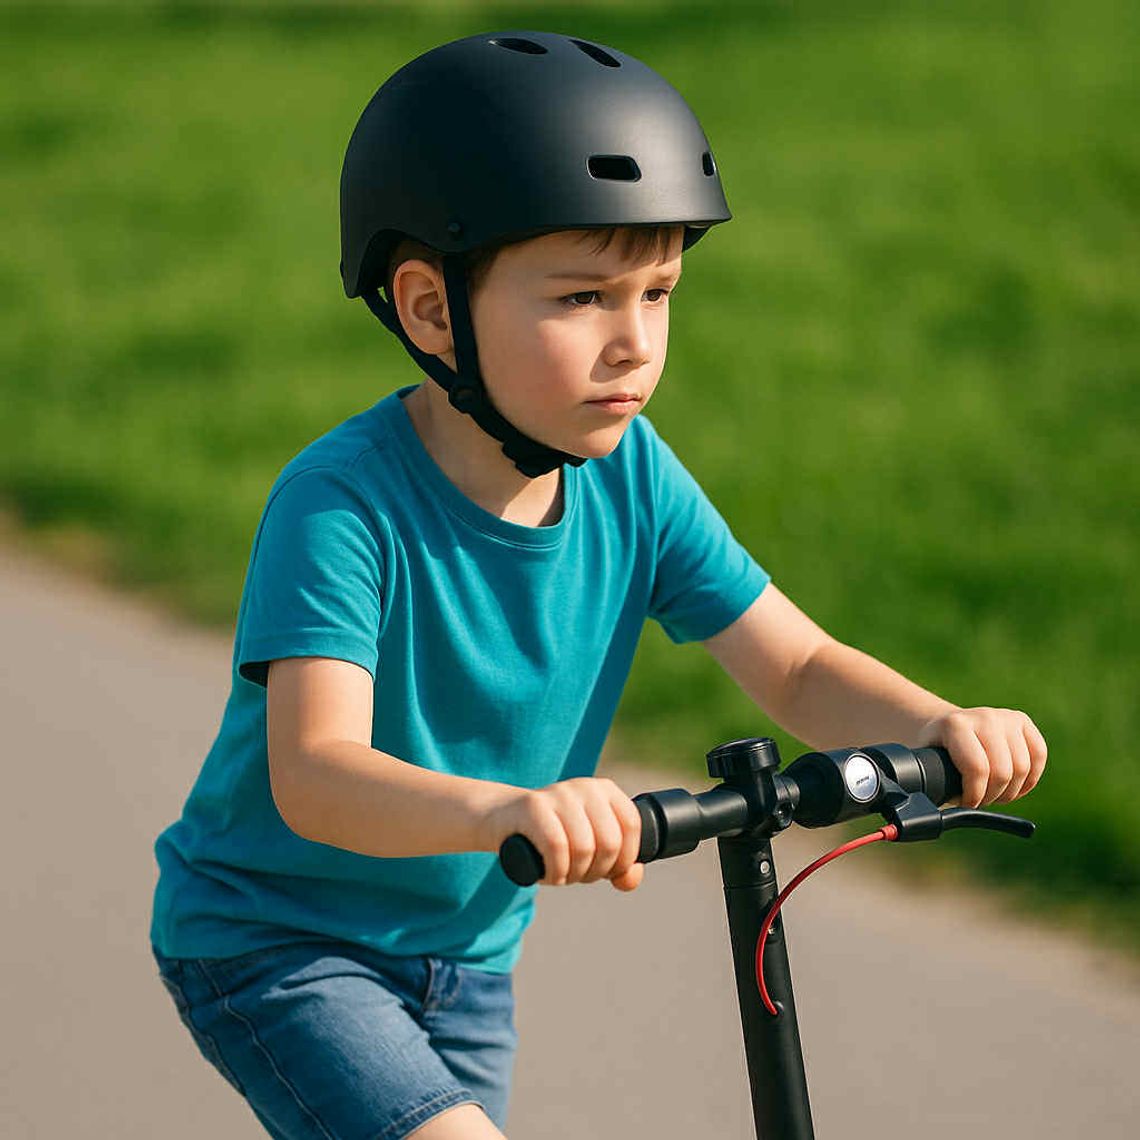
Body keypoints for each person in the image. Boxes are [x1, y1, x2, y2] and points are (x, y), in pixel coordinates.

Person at [149, 29, 1047, 1140]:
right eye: (581, 299)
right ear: (431, 310)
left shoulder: (631, 478)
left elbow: (799, 663)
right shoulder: (341, 507)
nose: (635, 345)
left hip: (466, 961)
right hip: (279, 942)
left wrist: (939, 727)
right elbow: (317, 775)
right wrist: (507, 810)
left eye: (658, 291)